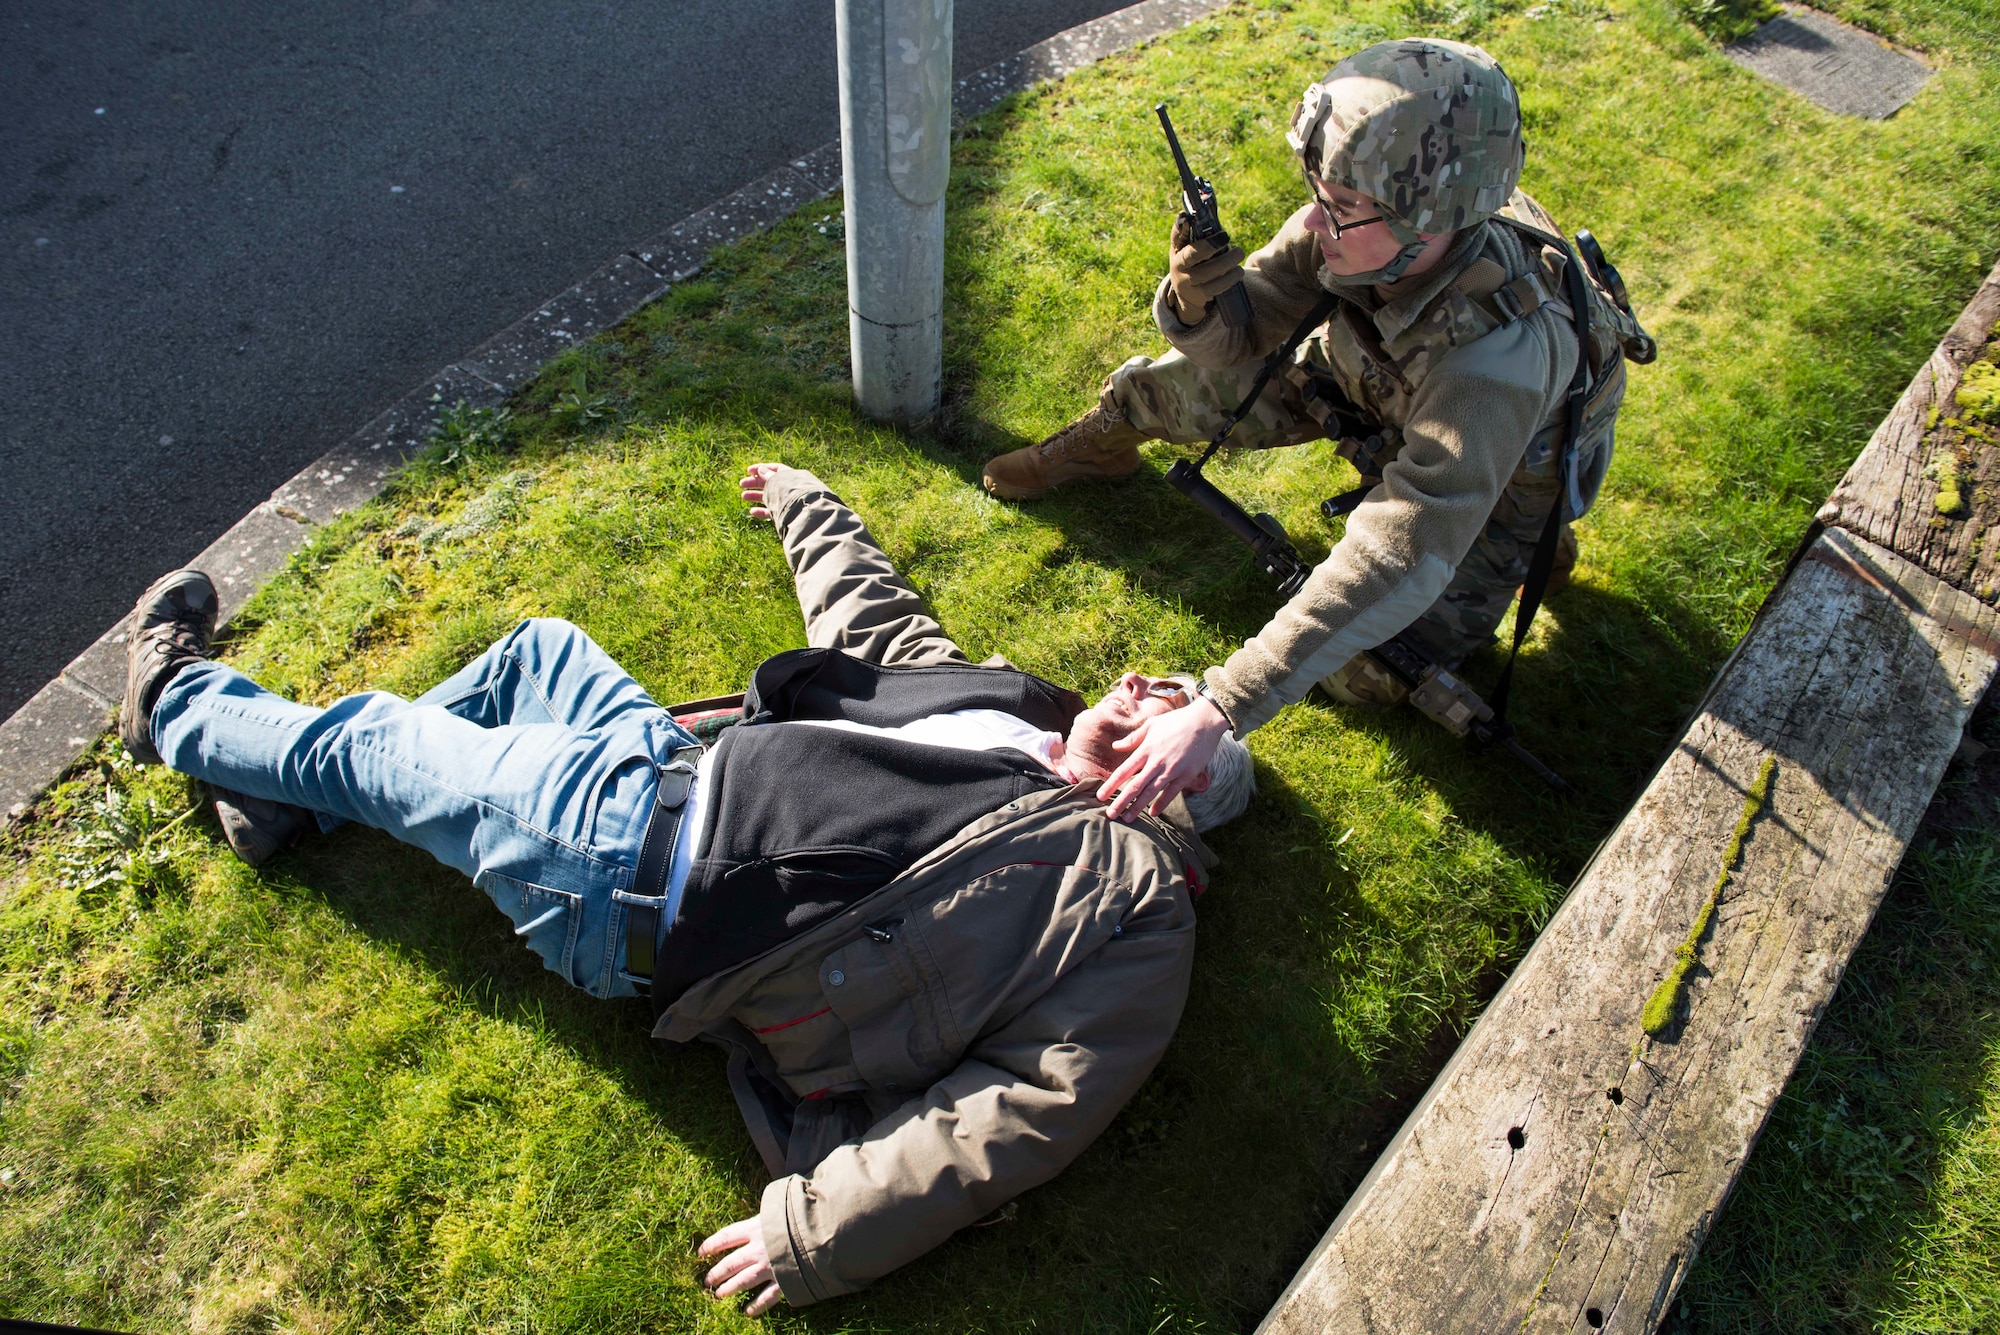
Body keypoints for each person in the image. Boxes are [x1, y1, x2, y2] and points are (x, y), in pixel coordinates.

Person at [115, 461, 1254, 1314]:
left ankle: (175, 706)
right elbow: (878, 627)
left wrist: (817, 1237)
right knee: (537, 654)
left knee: (371, 741)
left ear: (1177, 795)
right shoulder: (1016, 722)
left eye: (1173, 719)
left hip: (627, 874)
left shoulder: (1128, 910)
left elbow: (1020, 1113)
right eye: (1157, 682)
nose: (1140, 687)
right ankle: (275, 800)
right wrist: (812, 508)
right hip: (664, 764)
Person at [979, 38, 1654, 821]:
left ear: (1427, 219)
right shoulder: (1362, 222)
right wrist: (1196, 300)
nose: (1314, 218)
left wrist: (1220, 705)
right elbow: (1245, 334)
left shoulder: (1495, 358)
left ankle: (1530, 545)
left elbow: (1399, 551)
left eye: (1340, 207)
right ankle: (1104, 446)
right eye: (1317, 189)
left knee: (1363, 671)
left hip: (1496, 481)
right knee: (1178, 387)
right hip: (1372, 383)